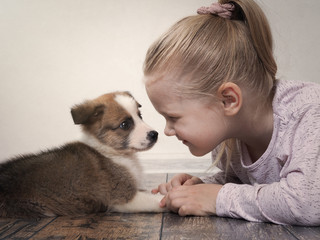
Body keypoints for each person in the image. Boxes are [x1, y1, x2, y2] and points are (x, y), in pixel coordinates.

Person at [143, 0, 320, 226]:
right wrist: (200, 188)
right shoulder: (229, 137)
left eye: (173, 117)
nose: (167, 130)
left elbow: (306, 204)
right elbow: (245, 183)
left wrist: (218, 198)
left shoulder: (308, 112)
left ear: (228, 100)